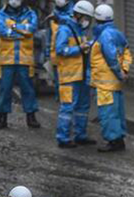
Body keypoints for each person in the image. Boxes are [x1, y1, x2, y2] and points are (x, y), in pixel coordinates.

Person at [90, 4, 133, 152]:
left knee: (107, 113)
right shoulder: (117, 33)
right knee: (117, 112)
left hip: (105, 83)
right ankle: (119, 139)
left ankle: (113, 141)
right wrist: (125, 70)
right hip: (115, 83)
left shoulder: (103, 35)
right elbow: (127, 52)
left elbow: (110, 58)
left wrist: (118, 72)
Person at [0, 0, 41, 130]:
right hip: (7, 60)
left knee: (28, 89)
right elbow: (2, 32)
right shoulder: (1, 14)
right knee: (4, 89)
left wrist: (13, 28)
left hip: (24, 60)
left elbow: (31, 30)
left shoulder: (31, 14)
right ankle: (2, 118)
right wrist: (22, 31)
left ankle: (31, 116)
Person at [53, 0, 94, 148]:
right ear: (78, 15)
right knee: (67, 108)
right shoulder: (65, 30)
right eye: (86, 17)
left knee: (83, 106)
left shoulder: (79, 30)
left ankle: (80, 135)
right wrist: (79, 49)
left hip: (81, 75)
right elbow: (60, 50)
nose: (87, 21)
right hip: (69, 76)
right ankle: (63, 138)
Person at [48, 0, 74, 101]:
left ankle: (68, 101)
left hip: (69, 54)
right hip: (56, 55)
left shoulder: (74, 13)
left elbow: (72, 22)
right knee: (58, 80)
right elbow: (50, 36)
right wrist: (47, 53)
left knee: (69, 82)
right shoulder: (53, 15)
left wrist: (59, 18)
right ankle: (59, 97)